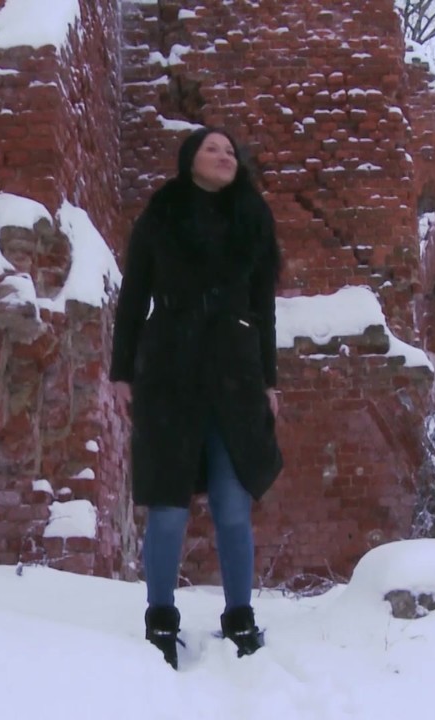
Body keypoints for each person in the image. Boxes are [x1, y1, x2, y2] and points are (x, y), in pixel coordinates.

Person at [109, 127, 284, 669]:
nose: (225, 156)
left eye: (230, 151)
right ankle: (160, 617)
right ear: (189, 160)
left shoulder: (252, 217)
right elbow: (134, 296)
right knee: (167, 507)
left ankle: (240, 618)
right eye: (213, 148)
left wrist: (269, 381)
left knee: (233, 506)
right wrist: (121, 373)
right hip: (169, 371)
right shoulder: (161, 214)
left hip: (236, 374)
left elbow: (263, 307)